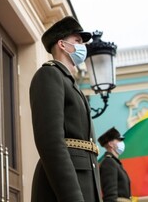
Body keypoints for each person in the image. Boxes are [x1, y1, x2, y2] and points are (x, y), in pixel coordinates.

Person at [30, 16, 101, 202]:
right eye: (77, 41)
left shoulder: (70, 84)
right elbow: (51, 142)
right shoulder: (49, 74)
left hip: (84, 182)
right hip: (65, 189)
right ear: (62, 44)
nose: (82, 46)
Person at [97, 127, 131, 202]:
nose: (121, 142)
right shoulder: (108, 163)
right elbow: (110, 196)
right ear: (110, 144)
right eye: (119, 140)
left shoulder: (115, 162)